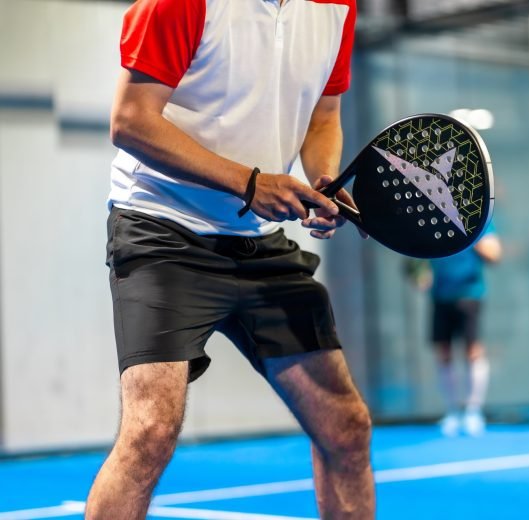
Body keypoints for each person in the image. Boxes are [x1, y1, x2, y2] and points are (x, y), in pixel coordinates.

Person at [85, 0, 375, 518]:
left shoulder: (339, 7)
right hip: (163, 232)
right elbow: (130, 121)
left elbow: (323, 117)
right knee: (150, 432)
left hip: (258, 241)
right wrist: (248, 181)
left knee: (346, 428)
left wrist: (324, 181)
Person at [428, 222, 502, 437]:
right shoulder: (433, 221)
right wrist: (420, 275)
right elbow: (417, 264)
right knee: (443, 352)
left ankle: (473, 411)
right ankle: (452, 411)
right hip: (440, 296)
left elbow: (494, 254)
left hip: (469, 294)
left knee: (473, 350)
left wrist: (470, 235)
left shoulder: (479, 221)